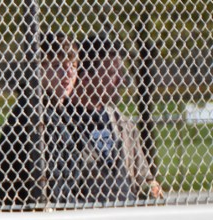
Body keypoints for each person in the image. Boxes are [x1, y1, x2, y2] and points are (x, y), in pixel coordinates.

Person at [66, 34, 163, 204]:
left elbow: (144, 177)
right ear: (86, 77)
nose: (121, 80)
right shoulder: (62, 122)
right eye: (112, 73)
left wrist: (151, 186)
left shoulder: (124, 125)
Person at [0, 32, 79, 208]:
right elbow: (54, 182)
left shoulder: (60, 112)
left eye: (73, 66)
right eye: (57, 65)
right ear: (39, 70)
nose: (69, 73)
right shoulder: (34, 113)